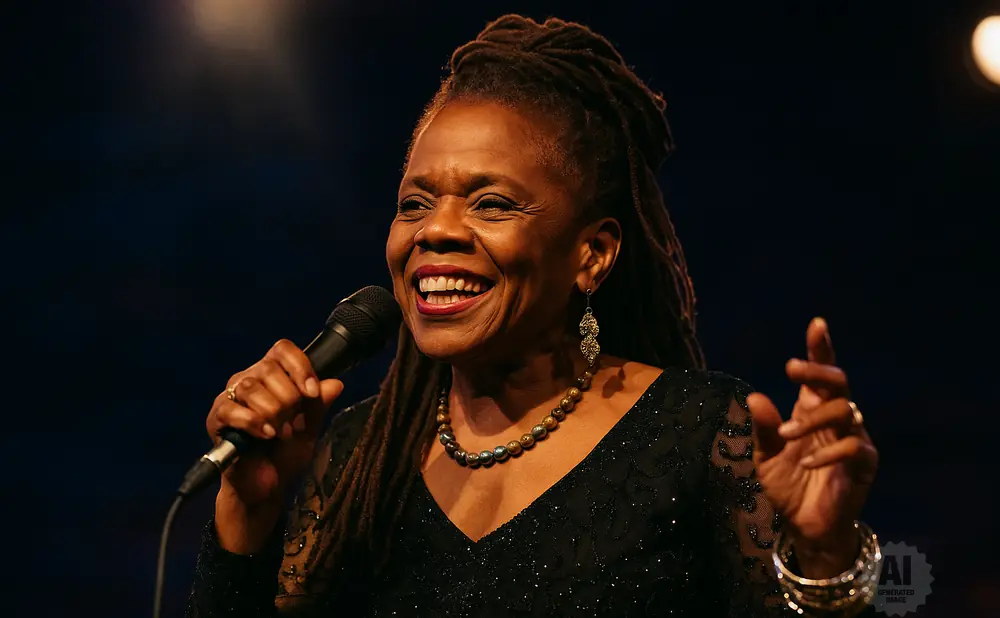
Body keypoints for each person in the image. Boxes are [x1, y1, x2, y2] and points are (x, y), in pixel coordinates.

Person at [186, 14, 881, 617]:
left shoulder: (699, 436)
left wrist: (823, 556)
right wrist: (249, 507)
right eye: (414, 203)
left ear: (592, 255)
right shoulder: (359, 454)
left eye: (491, 204)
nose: (437, 231)